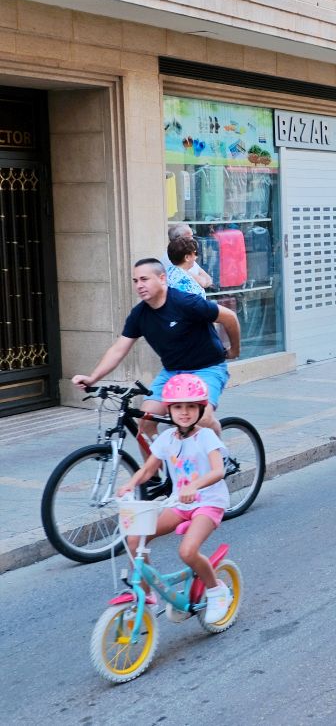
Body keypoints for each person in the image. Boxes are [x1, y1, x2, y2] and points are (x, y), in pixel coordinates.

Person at [72, 259, 240, 438]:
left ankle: (219, 458)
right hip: (172, 372)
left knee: (201, 419)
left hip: (206, 368)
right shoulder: (139, 315)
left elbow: (229, 317)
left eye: (144, 279)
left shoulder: (185, 302)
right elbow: (118, 350)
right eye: (135, 281)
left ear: (162, 278)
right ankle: (157, 466)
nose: (139, 285)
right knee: (145, 422)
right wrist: (93, 378)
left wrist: (234, 351)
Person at [115, 374, 233, 625]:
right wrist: (129, 484)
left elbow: (217, 471)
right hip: (179, 504)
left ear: (201, 409)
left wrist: (195, 485)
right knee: (135, 538)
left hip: (208, 503)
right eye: (178, 407)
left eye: (191, 407)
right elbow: (148, 469)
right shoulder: (167, 439)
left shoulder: (206, 437)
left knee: (187, 551)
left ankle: (216, 590)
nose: (185, 412)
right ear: (168, 409)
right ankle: (146, 594)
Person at [166, 223, 213, 290]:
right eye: (189, 236)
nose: (193, 239)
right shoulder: (173, 257)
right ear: (179, 239)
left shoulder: (188, 256)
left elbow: (208, 280)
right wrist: (203, 280)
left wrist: (204, 281)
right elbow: (202, 283)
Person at [165, 232, 208, 297]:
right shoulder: (187, 283)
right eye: (195, 253)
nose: (196, 257)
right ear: (187, 257)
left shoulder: (164, 273)